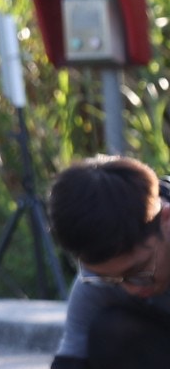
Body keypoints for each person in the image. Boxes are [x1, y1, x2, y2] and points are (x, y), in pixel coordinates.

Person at [48, 156, 170, 369]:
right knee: (111, 332)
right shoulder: (95, 280)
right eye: (109, 278)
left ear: (167, 220)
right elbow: (70, 357)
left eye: (138, 270)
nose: (131, 288)